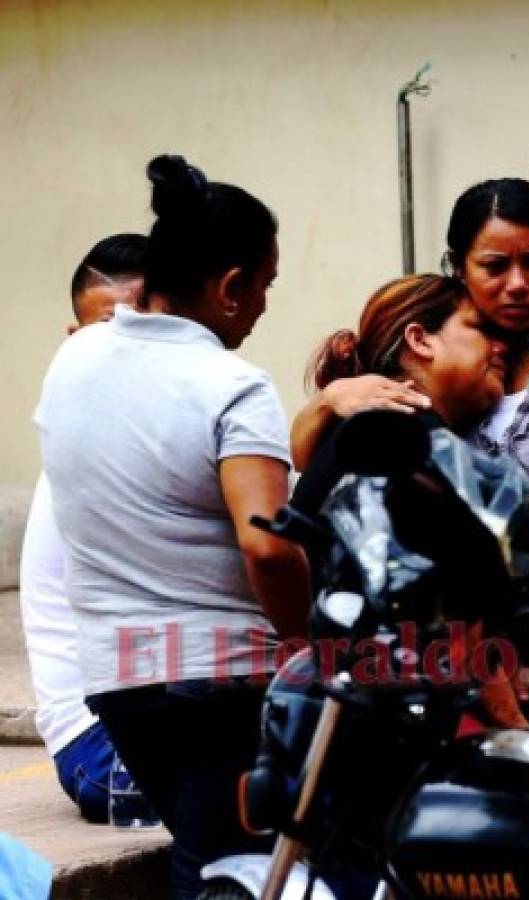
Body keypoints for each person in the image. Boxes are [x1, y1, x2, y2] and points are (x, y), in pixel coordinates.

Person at [35, 155, 310, 899]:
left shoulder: (75, 358)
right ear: (228, 287)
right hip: (218, 676)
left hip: (117, 683)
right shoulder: (232, 385)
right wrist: (305, 639)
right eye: (263, 287)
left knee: (202, 851)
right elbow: (266, 543)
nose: (260, 309)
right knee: (227, 872)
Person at [294, 179, 529, 750]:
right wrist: (323, 404)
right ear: (460, 268)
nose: (517, 285)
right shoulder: (422, 408)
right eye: (493, 266)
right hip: (507, 635)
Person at [306, 273, 529, 731]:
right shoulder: (408, 441)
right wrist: (511, 723)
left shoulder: (374, 432)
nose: (502, 346)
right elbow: (448, 617)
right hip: (398, 717)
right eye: (481, 329)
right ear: (420, 341)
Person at [20, 233, 147, 823]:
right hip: (99, 746)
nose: (127, 347)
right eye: (106, 328)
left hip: (154, 719)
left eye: (145, 324)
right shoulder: (88, 446)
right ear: (75, 339)